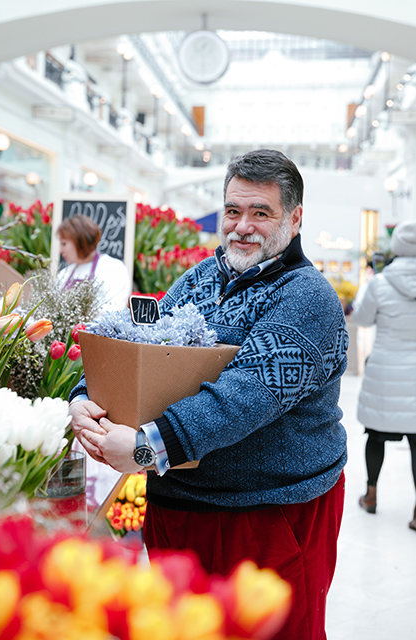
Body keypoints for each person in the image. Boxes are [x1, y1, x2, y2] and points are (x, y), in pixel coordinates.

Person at [69, 149, 348, 640]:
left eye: (261, 213)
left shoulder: (307, 298)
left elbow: (247, 395)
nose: (243, 226)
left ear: (295, 218)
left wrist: (142, 447)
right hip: (180, 507)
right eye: (234, 211)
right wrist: (83, 395)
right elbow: (132, 344)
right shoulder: (197, 279)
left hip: (267, 514)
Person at [352, 219, 416, 530]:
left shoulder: (380, 283)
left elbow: (362, 319)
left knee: (375, 435)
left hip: (386, 371)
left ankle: (372, 495)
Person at [56, 214, 131, 314]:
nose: (60, 250)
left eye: (64, 243)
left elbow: (114, 311)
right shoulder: (64, 273)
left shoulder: (114, 269)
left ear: (81, 242)